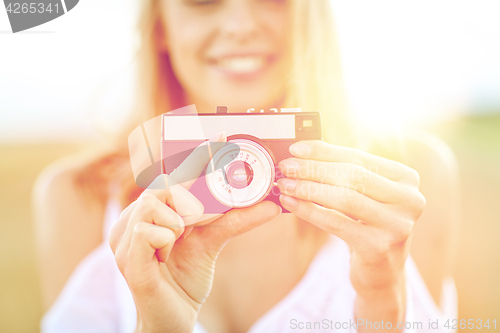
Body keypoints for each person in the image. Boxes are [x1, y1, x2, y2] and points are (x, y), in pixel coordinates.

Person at [34, 0, 459, 332]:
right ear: (160, 25)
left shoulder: (405, 181)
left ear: (311, 15)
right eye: (203, 0)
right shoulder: (77, 196)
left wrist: (383, 302)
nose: (241, 25)